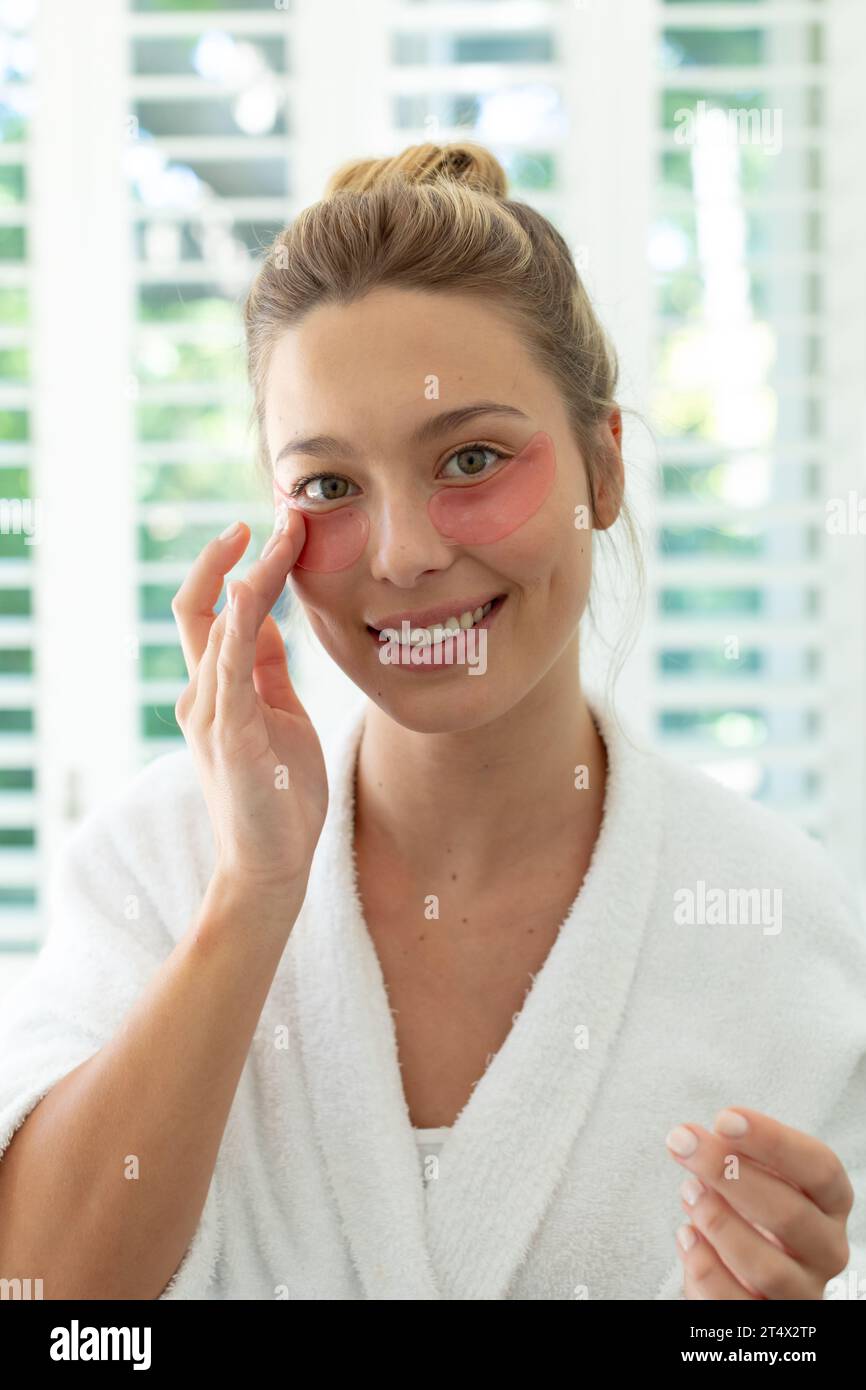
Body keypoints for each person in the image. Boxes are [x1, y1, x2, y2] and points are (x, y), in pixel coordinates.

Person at [0, 143, 863, 1302]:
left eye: (470, 458)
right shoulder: (154, 870)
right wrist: (252, 895)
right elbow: (44, 1300)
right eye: (328, 487)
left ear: (602, 471)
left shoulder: (782, 931)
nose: (404, 554)